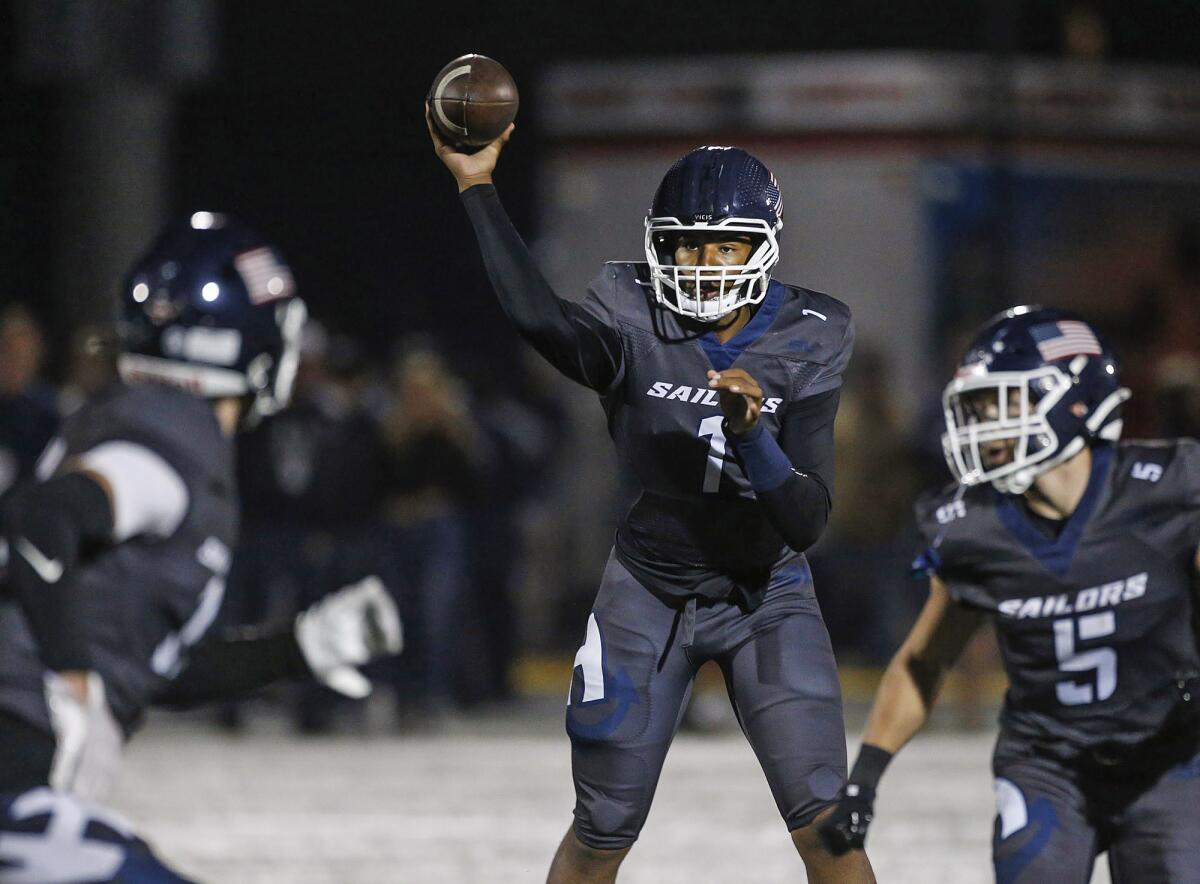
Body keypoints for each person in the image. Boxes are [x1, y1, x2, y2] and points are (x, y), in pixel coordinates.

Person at [429, 115, 874, 882]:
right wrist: (477, 185)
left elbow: (806, 518)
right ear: (657, 247)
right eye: (686, 246)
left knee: (828, 825)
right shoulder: (631, 315)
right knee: (602, 830)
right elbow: (540, 318)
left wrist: (751, 436)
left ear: (762, 247)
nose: (702, 267)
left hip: (764, 596)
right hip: (647, 591)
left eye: (724, 247)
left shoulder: (809, 332)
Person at [0, 213, 402, 882]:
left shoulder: (149, 424)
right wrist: (72, 684)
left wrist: (295, 649)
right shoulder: (171, 437)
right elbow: (46, 519)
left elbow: (153, 665)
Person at [821, 306, 1200, 883]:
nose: (985, 424)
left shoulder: (1168, 490)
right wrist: (864, 780)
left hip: (1167, 758)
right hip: (1046, 765)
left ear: (1074, 399)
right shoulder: (974, 527)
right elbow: (924, 661)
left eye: (1004, 403)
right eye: (977, 407)